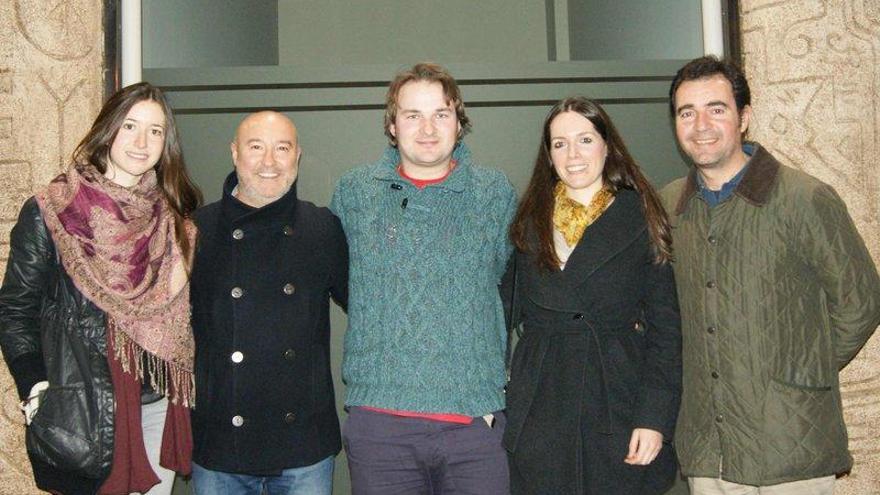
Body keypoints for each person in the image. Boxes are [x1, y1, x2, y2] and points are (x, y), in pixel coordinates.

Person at [661, 56, 880, 495]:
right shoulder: (668, 207)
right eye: (687, 112)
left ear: (744, 117)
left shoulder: (804, 197)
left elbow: (861, 301)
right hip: (709, 450)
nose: (701, 124)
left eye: (716, 108)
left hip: (790, 448)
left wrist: (797, 371)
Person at [0, 82, 201, 495]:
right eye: (130, 126)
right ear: (107, 129)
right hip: (86, 408)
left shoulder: (175, 221)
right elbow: (15, 307)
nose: (142, 142)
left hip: (156, 405)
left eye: (156, 131)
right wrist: (34, 385)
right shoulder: (54, 209)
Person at [330, 62, 517, 495]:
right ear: (392, 126)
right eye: (412, 115)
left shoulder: (494, 193)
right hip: (381, 428)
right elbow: (343, 284)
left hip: (472, 426)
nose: (427, 128)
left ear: (459, 123)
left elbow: (513, 286)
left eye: (441, 114)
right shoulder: (355, 192)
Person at [502, 96, 682, 494]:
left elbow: (666, 334)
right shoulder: (526, 221)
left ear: (606, 145)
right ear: (549, 155)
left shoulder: (641, 216)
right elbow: (499, 315)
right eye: (560, 143)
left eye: (585, 140)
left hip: (617, 399)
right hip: (541, 405)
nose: (573, 154)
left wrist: (653, 419)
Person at [189, 111, 348, 495]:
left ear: (298, 156)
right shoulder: (195, 229)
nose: (269, 162)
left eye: (282, 148)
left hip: (304, 447)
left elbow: (369, 308)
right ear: (234, 153)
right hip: (220, 446)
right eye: (256, 147)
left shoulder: (322, 228)